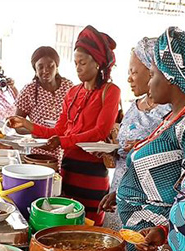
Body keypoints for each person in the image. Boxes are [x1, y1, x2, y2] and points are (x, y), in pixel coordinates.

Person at [9, 26, 121, 225]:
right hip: (69, 168)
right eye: (76, 63)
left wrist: (63, 140)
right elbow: (59, 131)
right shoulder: (73, 92)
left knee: (91, 227)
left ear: (97, 63)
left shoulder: (111, 91)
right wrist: (29, 125)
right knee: (66, 224)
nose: (78, 67)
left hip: (93, 173)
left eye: (83, 63)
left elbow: (100, 131)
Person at [113, 27, 185, 251]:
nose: (149, 80)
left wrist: (169, 248)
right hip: (151, 235)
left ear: (169, 76)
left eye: (153, 72)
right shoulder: (174, 117)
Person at [100, 37, 171, 231]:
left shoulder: (172, 113)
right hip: (118, 196)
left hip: (147, 209)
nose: (129, 78)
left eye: (133, 72)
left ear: (152, 71)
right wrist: (111, 151)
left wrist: (144, 147)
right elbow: (122, 155)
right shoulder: (134, 106)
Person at [15, 46, 73, 171]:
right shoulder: (28, 91)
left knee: (61, 186)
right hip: (38, 152)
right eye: (40, 67)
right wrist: (35, 132)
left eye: (50, 66)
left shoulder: (69, 87)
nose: (45, 71)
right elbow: (18, 126)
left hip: (65, 150)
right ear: (35, 69)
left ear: (57, 67)